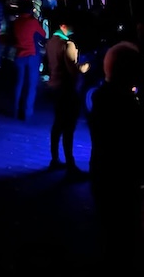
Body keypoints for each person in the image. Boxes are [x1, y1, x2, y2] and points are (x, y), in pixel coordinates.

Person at [87, 41, 144, 270]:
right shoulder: (128, 106)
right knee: (125, 234)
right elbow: (138, 143)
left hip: (102, 173)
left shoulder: (99, 97)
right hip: (123, 179)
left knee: (108, 231)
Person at [45, 13, 90, 177]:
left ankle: (55, 159)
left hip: (54, 86)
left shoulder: (51, 41)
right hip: (67, 89)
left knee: (57, 125)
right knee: (68, 127)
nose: (74, 29)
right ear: (64, 26)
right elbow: (73, 70)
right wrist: (85, 67)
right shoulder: (67, 44)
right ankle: (71, 166)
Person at [10, 4, 46, 120]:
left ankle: (15, 111)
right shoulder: (33, 22)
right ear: (31, 11)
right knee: (31, 85)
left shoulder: (16, 22)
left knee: (18, 84)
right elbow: (43, 34)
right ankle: (27, 113)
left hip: (19, 56)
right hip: (32, 55)